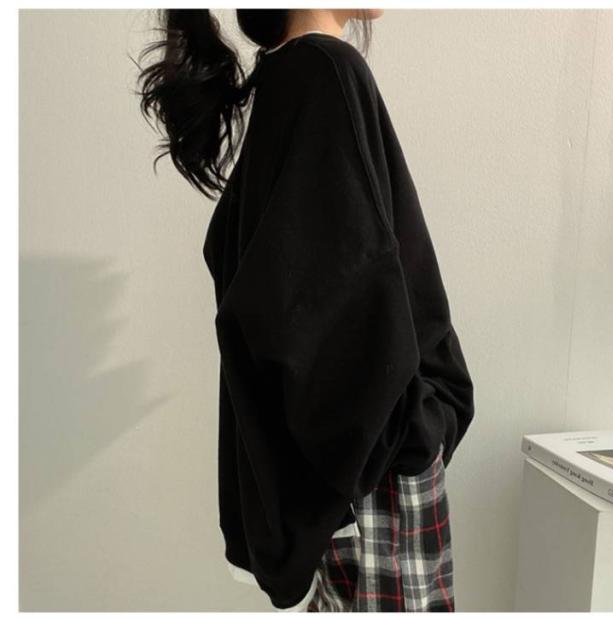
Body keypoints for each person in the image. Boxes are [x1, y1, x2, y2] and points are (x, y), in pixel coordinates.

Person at [135, 8, 475, 612]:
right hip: (374, 482)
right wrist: (414, 433)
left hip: (355, 476)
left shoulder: (290, 74)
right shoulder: (325, 70)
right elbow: (323, 301)